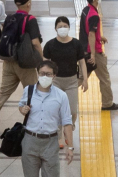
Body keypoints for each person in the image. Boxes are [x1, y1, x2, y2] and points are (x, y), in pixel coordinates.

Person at [0, 0, 42, 133]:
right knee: (33, 93)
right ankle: (31, 122)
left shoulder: (10, 17)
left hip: (9, 61)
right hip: (24, 63)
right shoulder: (30, 19)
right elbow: (35, 42)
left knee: (4, 91)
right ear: (28, 3)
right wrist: (42, 59)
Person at [18, 61, 74, 175]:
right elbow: (21, 105)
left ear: (54, 76)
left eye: (48, 74)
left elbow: (67, 122)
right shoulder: (28, 90)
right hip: (30, 140)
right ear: (37, 73)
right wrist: (22, 109)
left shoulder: (61, 95)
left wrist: (70, 147)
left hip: (51, 143)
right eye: (42, 73)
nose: (44, 76)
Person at [43, 17, 88, 147]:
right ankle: (58, 137)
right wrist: (44, 80)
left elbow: (82, 62)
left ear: (69, 27)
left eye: (65, 26)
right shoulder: (50, 44)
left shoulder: (76, 44)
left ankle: (69, 127)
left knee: (73, 110)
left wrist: (85, 79)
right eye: (60, 26)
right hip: (55, 81)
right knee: (56, 110)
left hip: (72, 81)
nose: (62, 28)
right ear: (55, 28)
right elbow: (44, 64)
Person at [78, 0, 118, 110]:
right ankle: (107, 103)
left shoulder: (86, 10)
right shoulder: (93, 15)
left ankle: (61, 92)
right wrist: (92, 54)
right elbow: (91, 34)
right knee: (104, 78)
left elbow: (88, 30)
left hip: (84, 48)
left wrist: (100, 36)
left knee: (81, 76)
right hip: (94, 51)